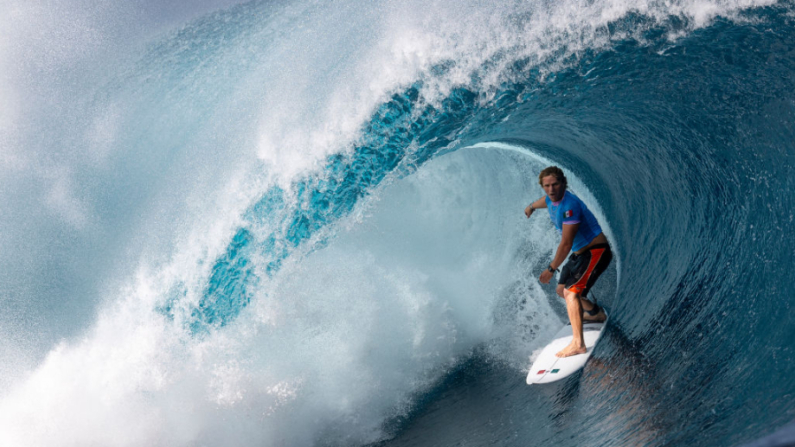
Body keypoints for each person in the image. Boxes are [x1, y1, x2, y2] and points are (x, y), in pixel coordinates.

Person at [524, 166, 612, 358]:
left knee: (571, 293)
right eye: (546, 186)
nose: (551, 189)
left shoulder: (569, 206)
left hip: (595, 251)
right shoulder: (551, 198)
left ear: (564, 183)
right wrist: (531, 207)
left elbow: (566, 244)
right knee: (561, 290)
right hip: (580, 255)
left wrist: (551, 269)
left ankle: (578, 344)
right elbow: (545, 201)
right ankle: (595, 313)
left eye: (555, 184)